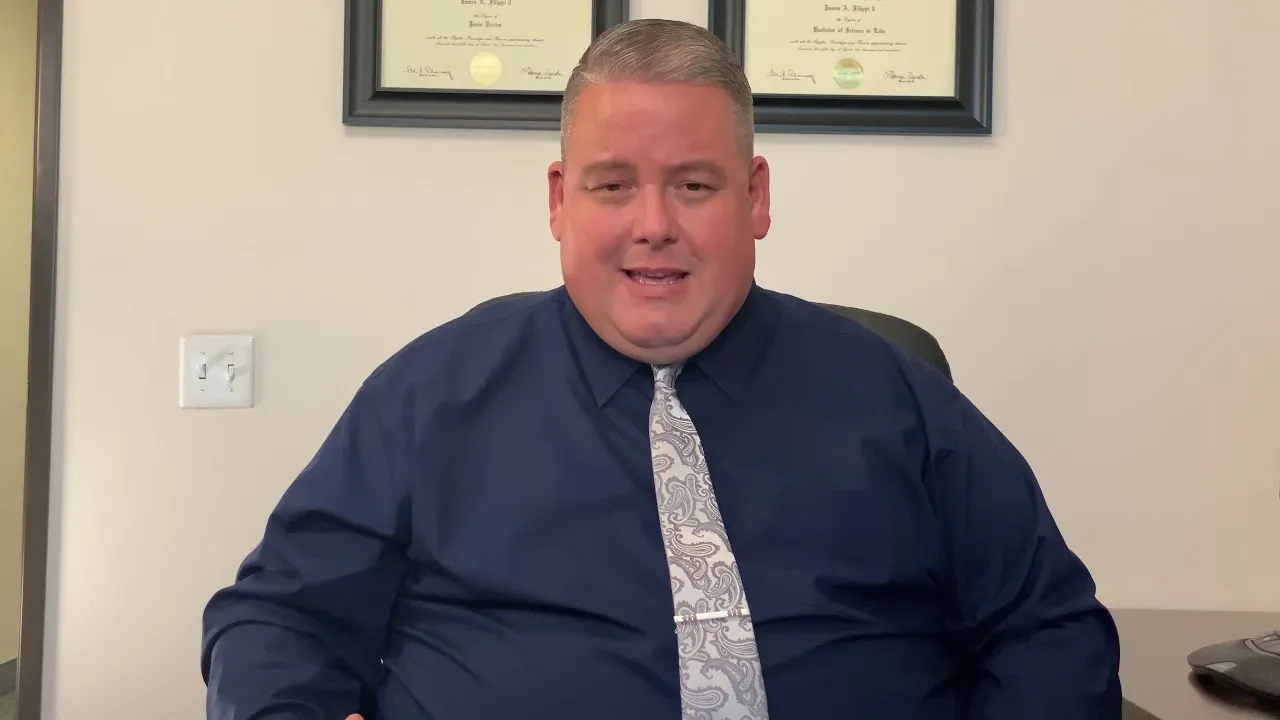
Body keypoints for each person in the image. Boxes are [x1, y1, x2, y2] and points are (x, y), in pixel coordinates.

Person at [201, 18, 1122, 720]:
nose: (654, 224)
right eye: (612, 185)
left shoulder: (892, 393)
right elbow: (278, 616)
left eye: (694, 184)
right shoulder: (431, 393)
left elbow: (1047, 626)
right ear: (561, 202)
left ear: (755, 199)